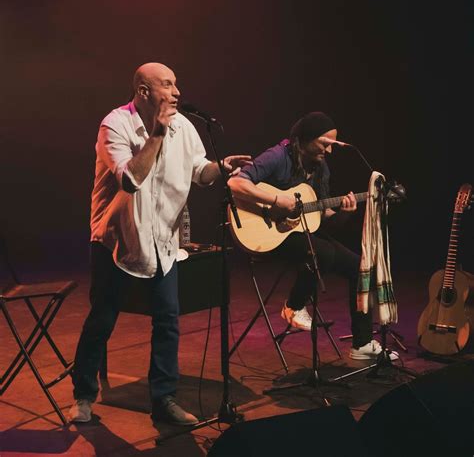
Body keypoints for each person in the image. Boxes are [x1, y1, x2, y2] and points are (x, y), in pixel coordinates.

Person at [68, 62, 251, 425]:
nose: (177, 91)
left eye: (177, 83)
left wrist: (222, 166)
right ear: (144, 92)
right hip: (117, 239)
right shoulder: (115, 125)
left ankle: (163, 399)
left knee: (167, 320)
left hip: (163, 242)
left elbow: (200, 171)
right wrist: (156, 134)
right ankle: (83, 395)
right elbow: (131, 180)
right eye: (167, 84)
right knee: (102, 319)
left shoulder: (184, 127)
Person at [228, 111, 390, 360]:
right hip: (266, 234)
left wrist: (344, 214)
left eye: (332, 145)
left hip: (299, 234)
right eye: (325, 144)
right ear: (304, 139)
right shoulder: (277, 156)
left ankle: (363, 343)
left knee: (359, 267)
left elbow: (322, 219)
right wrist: (276, 199)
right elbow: (236, 184)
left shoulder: (320, 169)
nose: (329, 151)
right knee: (320, 252)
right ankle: (293, 305)